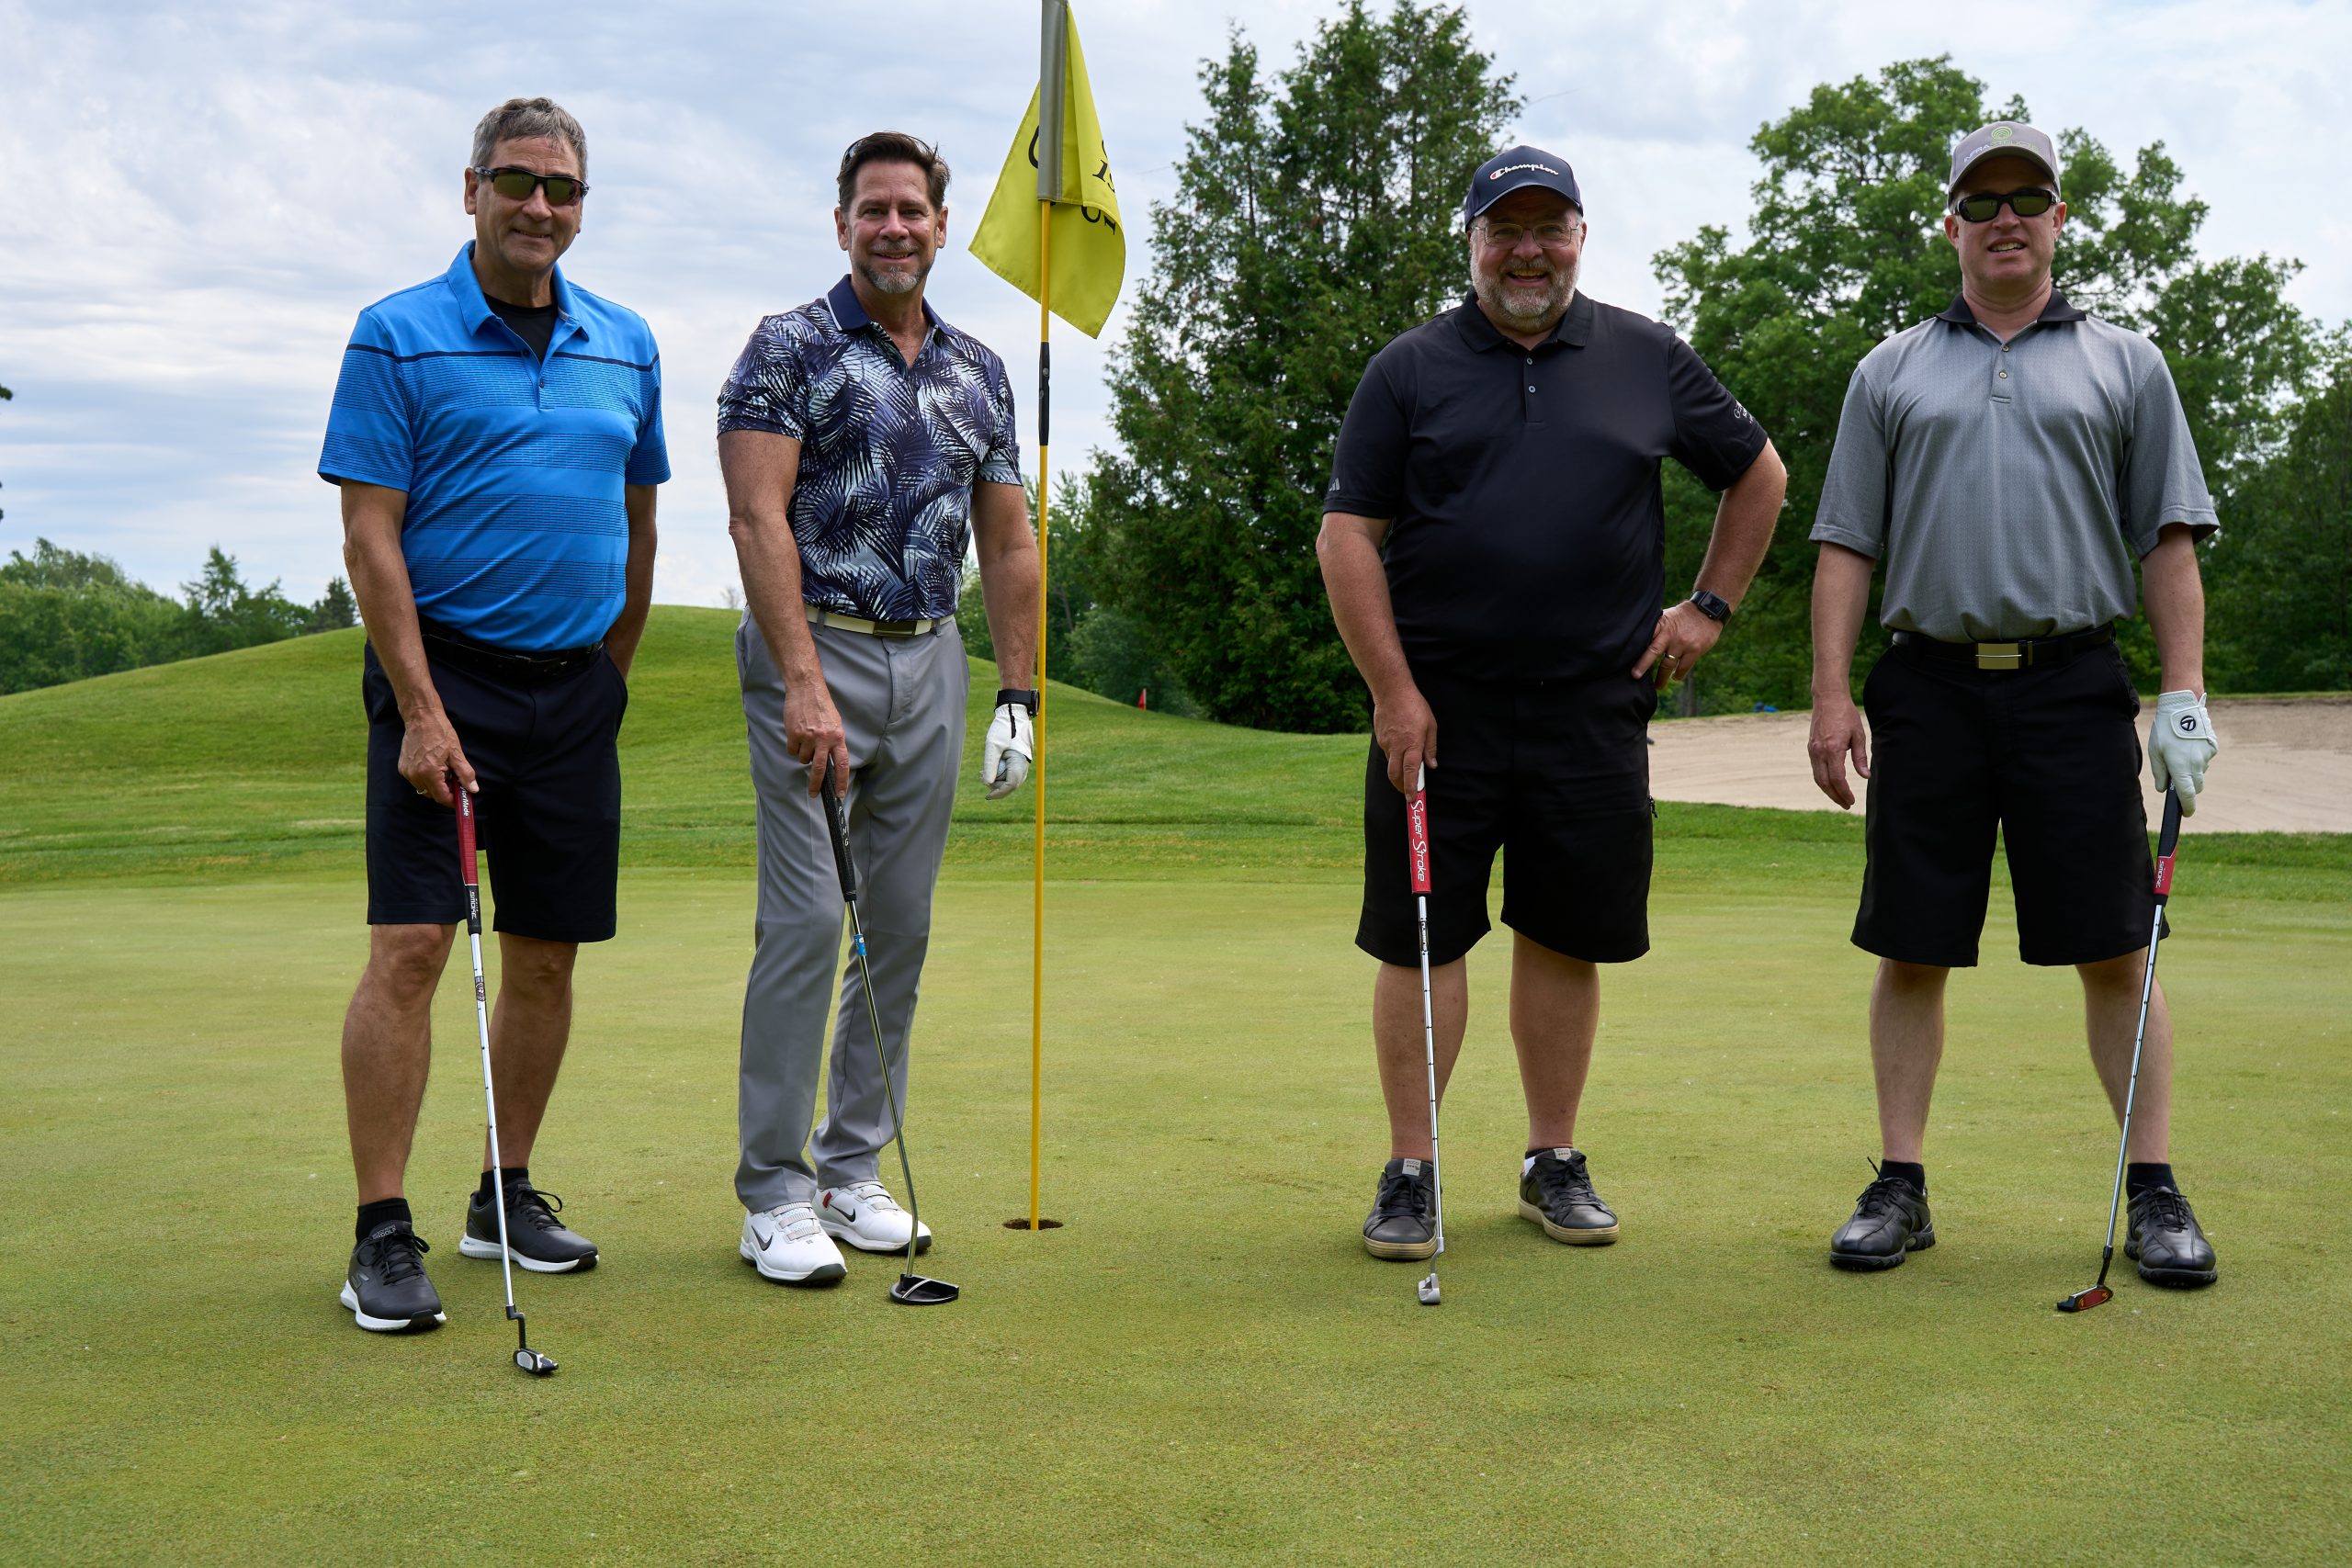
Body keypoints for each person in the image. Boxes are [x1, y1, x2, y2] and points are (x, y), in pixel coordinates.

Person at [1318, 145, 1787, 1264]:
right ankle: (1412, 1168)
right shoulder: (1409, 369)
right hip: (1440, 713)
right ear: (1472, 242)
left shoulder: (1646, 356)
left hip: (1592, 707)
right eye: (1505, 230)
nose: (1527, 251)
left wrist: (1707, 608)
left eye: (1549, 228)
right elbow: (1347, 537)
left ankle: (1550, 1159)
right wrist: (1393, 692)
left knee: (1564, 935)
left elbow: (1757, 473)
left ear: (1579, 236)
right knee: (1421, 938)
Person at [1807, 121, 2221, 1284]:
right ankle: (1899, 1185)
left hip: (2072, 685)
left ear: (2056, 219)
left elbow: (2168, 538)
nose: (2004, 219)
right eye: (1981, 202)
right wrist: (1830, 695)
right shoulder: (1889, 370)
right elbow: (1844, 544)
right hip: (1927, 686)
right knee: (1912, 948)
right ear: (1950, 224)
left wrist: (2182, 693)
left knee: (2116, 951)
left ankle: (2153, 1189)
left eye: (2025, 199)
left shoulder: (2125, 363)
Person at [319, 97, 666, 1332]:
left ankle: (502, 1194)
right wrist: (421, 708)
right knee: (414, 945)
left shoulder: (627, 342)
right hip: (443, 681)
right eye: (516, 181)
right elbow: (369, 535)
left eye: (561, 188)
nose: (539, 206)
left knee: (548, 953)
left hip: (572, 693)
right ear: (471, 190)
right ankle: (381, 1229)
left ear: (582, 205)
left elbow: (638, 524)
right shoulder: (398, 335)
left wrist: (610, 675)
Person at [718, 131, 1039, 1284]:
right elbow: (755, 519)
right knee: (809, 922)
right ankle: (772, 1190)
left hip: (932, 658)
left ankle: (849, 1171)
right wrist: (801, 679)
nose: (893, 227)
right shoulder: (789, 347)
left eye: (912, 209)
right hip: (817, 654)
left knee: (897, 927)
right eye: (873, 209)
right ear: (842, 223)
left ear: (941, 227)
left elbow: (1009, 542)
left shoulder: (978, 369)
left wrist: (1018, 694)